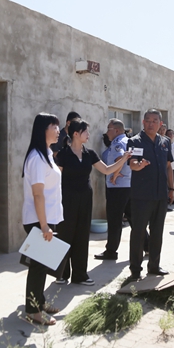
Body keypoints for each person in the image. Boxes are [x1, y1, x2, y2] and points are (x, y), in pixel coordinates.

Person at [55, 119, 131, 283]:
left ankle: (80, 275)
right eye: (85, 131)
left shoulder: (89, 154)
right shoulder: (63, 155)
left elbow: (107, 170)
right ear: (76, 134)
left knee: (82, 235)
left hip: (85, 199)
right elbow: (55, 179)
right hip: (66, 200)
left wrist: (124, 159)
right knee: (65, 234)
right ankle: (61, 274)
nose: (88, 134)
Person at [22, 113, 64, 325]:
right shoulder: (37, 158)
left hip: (47, 218)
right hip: (39, 219)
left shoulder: (46, 154)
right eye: (53, 126)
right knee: (38, 267)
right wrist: (44, 225)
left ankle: (39, 301)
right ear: (42, 130)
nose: (58, 131)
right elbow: (37, 194)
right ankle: (33, 310)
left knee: (43, 264)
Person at [127, 109, 174, 280]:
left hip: (160, 195)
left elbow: (168, 167)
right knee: (138, 233)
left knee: (157, 232)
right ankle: (135, 270)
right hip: (141, 196)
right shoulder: (134, 141)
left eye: (155, 121)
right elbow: (132, 163)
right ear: (143, 122)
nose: (151, 124)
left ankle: (154, 266)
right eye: (147, 120)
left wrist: (171, 189)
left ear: (160, 124)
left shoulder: (165, 142)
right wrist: (138, 166)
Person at [95, 119, 133, 260]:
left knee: (114, 219)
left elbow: (120, 158)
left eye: (108, 129)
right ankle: (147, 246)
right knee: (133, 219)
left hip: (117, 187)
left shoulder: (118, 143)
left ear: (116, 130)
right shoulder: (128, 140)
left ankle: (111, 251)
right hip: (128, 185)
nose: (107, 132)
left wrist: (115, 174)